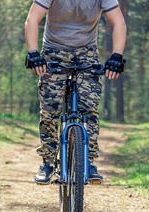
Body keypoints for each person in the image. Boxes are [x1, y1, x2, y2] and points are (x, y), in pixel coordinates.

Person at [24, 0, 127, 184]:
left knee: (89, 107)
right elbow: (32, 19)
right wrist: (33, 53)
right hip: (54, 50)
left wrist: (117, 56)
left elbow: (118, 22)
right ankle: (47, 162)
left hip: (87, 52)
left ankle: (88, 161)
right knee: (50, 110)